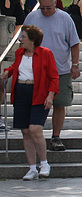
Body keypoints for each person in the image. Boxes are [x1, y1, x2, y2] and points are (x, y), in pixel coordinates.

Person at [24, 0, 81, 151]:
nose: (46, 11)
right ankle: (35, 135)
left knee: (59, 103)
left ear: (55, 4)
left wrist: (75, 65)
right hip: (35, 70)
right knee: (34, 103)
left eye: (49, 8)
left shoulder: (65, 18)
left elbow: (74, 43)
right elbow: (24, 41)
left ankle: (56, 136)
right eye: (42, 8)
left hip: (59, 69)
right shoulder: (32, 17)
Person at [1, 25, 58, 180]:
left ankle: (44, 163)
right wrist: (8, 71)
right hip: (21, 91)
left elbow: (54, 76)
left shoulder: (46, 54)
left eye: (23, 37)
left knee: (35, 129)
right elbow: (17, 66)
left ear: (32, 40)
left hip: (39, 92)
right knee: (25, 131)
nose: (20, 40)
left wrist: (50, 95)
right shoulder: (20, 53)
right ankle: (32, 168)